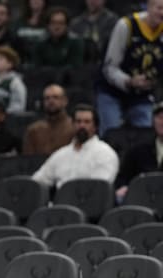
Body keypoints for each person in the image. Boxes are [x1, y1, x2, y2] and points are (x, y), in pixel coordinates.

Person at [96, 0, 163, 137]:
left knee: (147, 136)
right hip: (112, 91)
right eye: (159, 8)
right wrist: (129, 81)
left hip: (142, 94)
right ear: (148, 7)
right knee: (112, 134)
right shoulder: (126, 25)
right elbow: (109, 67)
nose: (162, 13)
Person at [32, 104, 119, 188]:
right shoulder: (60, 155)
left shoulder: (106, 154)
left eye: (87, 122)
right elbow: (37, 181)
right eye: (78, 121)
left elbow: (99, 188)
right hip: (60, 201)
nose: (82, 125)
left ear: (95, 126)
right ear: (72, 124)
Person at [115, 100, 163, 201]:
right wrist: (123, 186)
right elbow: (122, 178)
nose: (162, 122)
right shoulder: (138, 151)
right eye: (160, 118)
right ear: (153, 121)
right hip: (143, 199)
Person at [23, 84, 75, 156]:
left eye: (55, 97)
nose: (51, 101)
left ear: (65, 101)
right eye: (47, 98)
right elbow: (27, 161)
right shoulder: (34, 130)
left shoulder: (74, 127)